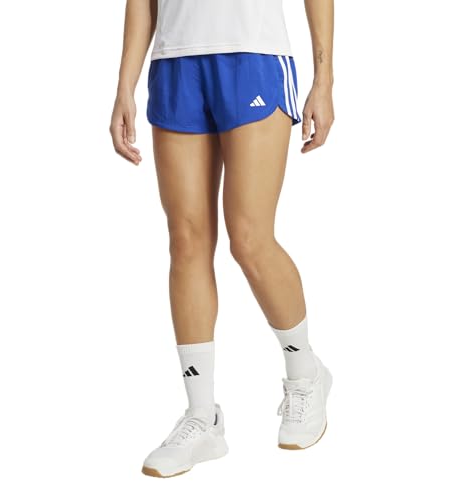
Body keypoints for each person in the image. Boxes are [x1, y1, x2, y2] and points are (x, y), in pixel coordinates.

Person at [110, 0, 335, 478]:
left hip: (253, 54)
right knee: (186, 240)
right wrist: (124, 85)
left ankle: (305, 374)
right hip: (175, 61)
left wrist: (324, 79)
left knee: (249, 237)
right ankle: (202, 417)